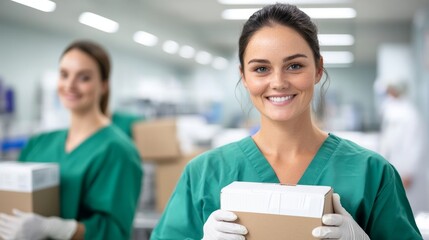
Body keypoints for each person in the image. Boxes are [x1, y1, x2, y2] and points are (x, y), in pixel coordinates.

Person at [150, 3, 422, 240]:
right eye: (261, 69)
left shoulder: (372, 173)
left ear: (318, 69)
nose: (278, 82)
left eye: (294, 66)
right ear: (244, 76)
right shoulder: (204, 173)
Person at [0, 40, 143, 240]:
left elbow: (115, 232)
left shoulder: (118, 151)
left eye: (83, 77)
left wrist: (56, 229)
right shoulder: (39, 143)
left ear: (103, 85)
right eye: (64, 75)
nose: (69, 85)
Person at [378, 78, 428, 214]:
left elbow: (415, 145)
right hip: (395, 167)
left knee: (412, 210)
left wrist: (409, 172)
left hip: (407, 173)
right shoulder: (392, 110)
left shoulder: (409, 114)